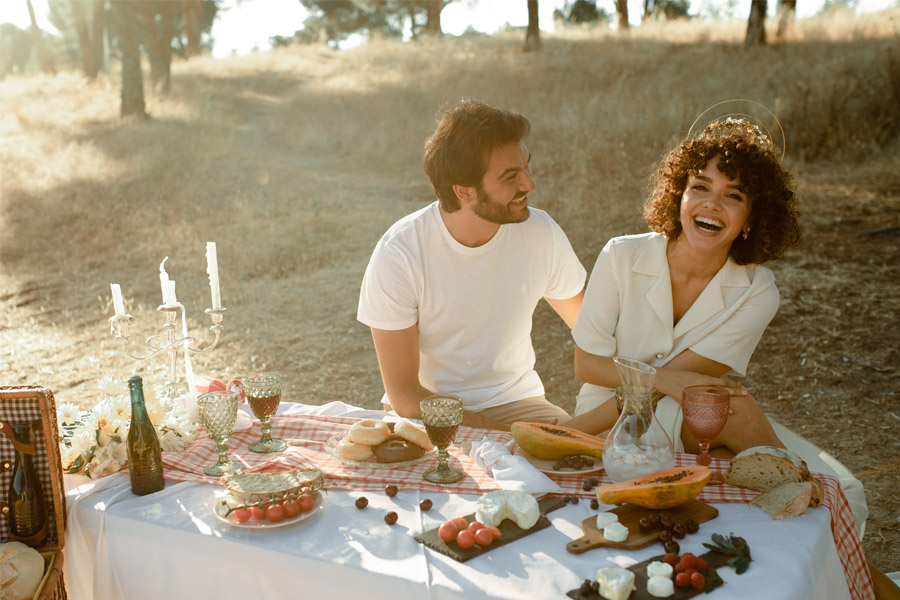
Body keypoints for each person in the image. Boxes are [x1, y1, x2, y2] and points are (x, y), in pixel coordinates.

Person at [564, 117, 868, 539]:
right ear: (679, 195)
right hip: (611, 417)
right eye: (700, 187)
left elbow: (674, 389)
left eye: (733, 195)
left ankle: (814, 518)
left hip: (685, 414)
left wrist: (572, 433)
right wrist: (582, 429)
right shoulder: (621, 255)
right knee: (735, 415)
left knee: (848, 491)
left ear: (751, 219)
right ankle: (806, 493)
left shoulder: (757, 291)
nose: (710, 204)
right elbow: (586, 367)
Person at [357, 99, 586, 430]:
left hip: (519, 404)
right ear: (463, 191)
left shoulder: (540, 233)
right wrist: (502, 433)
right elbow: (406, 397)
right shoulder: (400, 254)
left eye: (526, 167)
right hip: (427, 410)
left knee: (579, 475)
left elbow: (591, 331)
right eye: (510, 176)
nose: (529, 184)